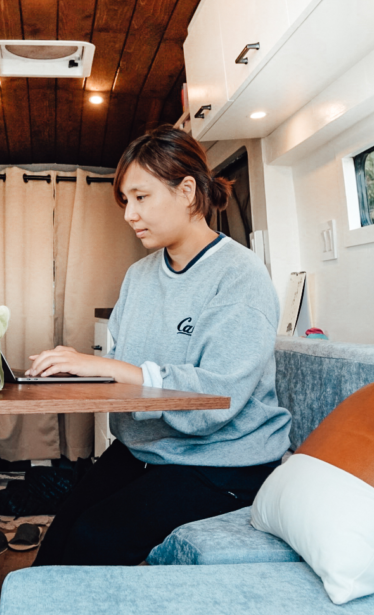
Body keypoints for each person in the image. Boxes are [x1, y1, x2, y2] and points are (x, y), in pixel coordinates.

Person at [26, 125, 291, 566]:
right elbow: (126, 367)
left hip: (221, 464)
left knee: (95, 537)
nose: (129, 213)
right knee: (61, 533)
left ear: (187, 191)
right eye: (126, 201)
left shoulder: (241, 277)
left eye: (141, 197)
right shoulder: (140, 275)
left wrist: (107, 367)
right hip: (146, 451)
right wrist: (81, 372)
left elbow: (215, 399)